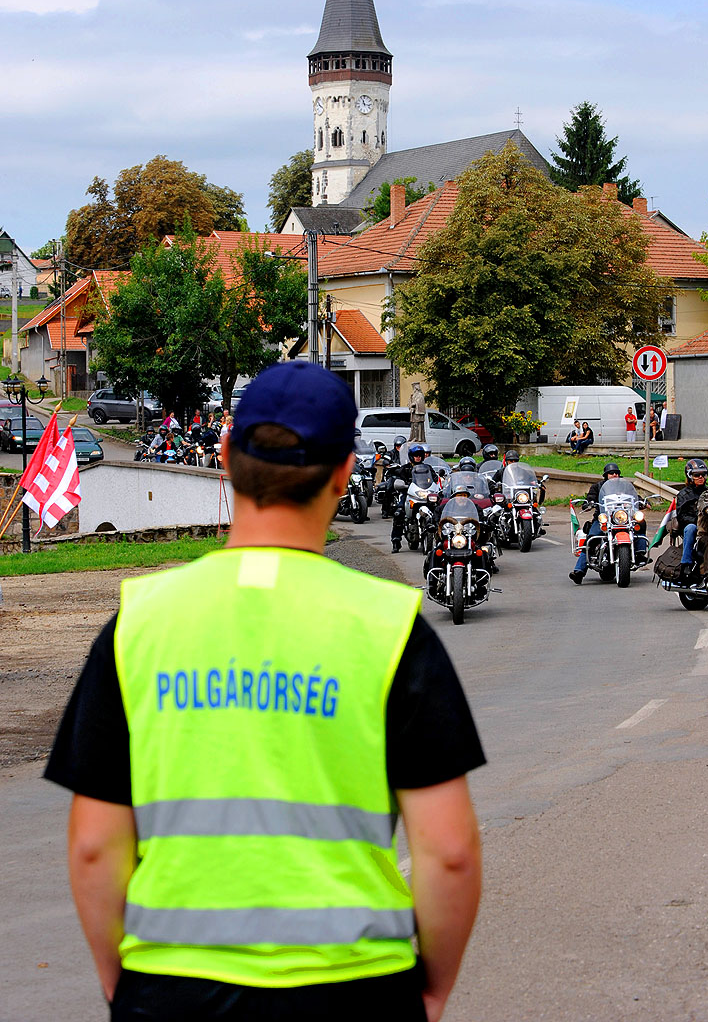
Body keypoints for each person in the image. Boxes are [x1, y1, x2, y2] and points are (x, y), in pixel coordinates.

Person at [45, 361, 484, 1022]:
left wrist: (126, 985)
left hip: (172, 987)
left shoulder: (140, 623)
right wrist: (430, 991)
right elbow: (448, 853)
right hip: (354, 988)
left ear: (224, 456)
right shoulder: (392, 630)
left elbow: (93, 845)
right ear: (342, 473)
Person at [569, 463, 647, 584]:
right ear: (606, 475)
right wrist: (589, 503)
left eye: (616, 473)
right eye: (611, 473)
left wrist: (642, 502)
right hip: (604, 518)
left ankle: (640, 552)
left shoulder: (625, 486)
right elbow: (591, 497)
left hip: (624, 517)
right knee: (592, 536)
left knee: (641, 524)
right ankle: (579, 570)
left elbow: (635, 496)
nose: (614, 474)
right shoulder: (598, 486)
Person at [390, 441, 429, 552]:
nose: (418, 457)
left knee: (438, 511)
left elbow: (435, 480)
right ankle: (396, 541)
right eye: (416, 455)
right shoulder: (405, 469)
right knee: (399, 513)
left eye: (420, 455)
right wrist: (401, 484)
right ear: (411, 456)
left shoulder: (427, 468)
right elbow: (398, 479)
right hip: (408, 494)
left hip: (424, 495)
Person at [675, 458, 708, 585]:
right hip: (694, 525)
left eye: (703, 474)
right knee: (690, 528)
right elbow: (681, 516)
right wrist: (698, 520)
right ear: (690, 476)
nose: (700, 477)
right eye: (696, 475)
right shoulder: (684, 494)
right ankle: (686, 563)